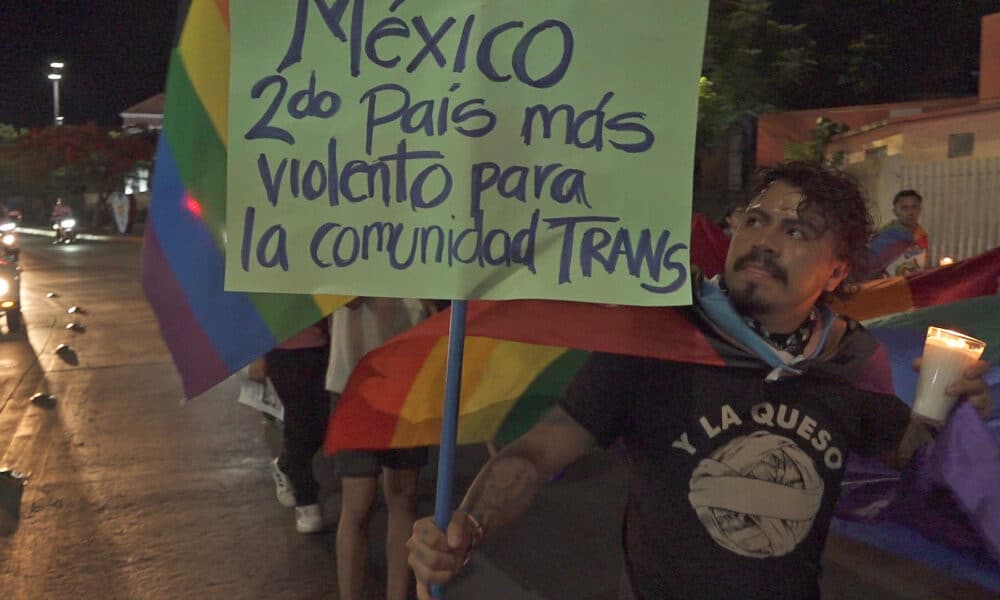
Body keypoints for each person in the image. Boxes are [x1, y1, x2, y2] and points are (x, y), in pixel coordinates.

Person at [406, 162, 992, 600]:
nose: (764, 238)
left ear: (838, 268)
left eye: (797, 230)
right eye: (756, 219)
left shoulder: (849, 356)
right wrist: (469, 524)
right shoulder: (660, 335)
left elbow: (904, 462)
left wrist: (953, 419)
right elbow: (539, 451)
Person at [329, 297, 433, 600]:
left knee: (403, 495)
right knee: (358, 501)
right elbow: (346, 298)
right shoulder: (348, 247)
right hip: (355, 376)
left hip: (410, 374)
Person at [261, 319, 331, 533]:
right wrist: (256, 357)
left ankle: (285, 464)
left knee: (323, 424)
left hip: (322, 344)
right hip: (280, 349)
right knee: (298, 423)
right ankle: (306, 500)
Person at [867, 189, 929, 278]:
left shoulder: (921, 235)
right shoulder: (886, 235)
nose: (910, 212)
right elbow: (871, 268)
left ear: (919, 209)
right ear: (895, 211)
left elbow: (921, 266)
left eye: (914, 207)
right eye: (904, 208)